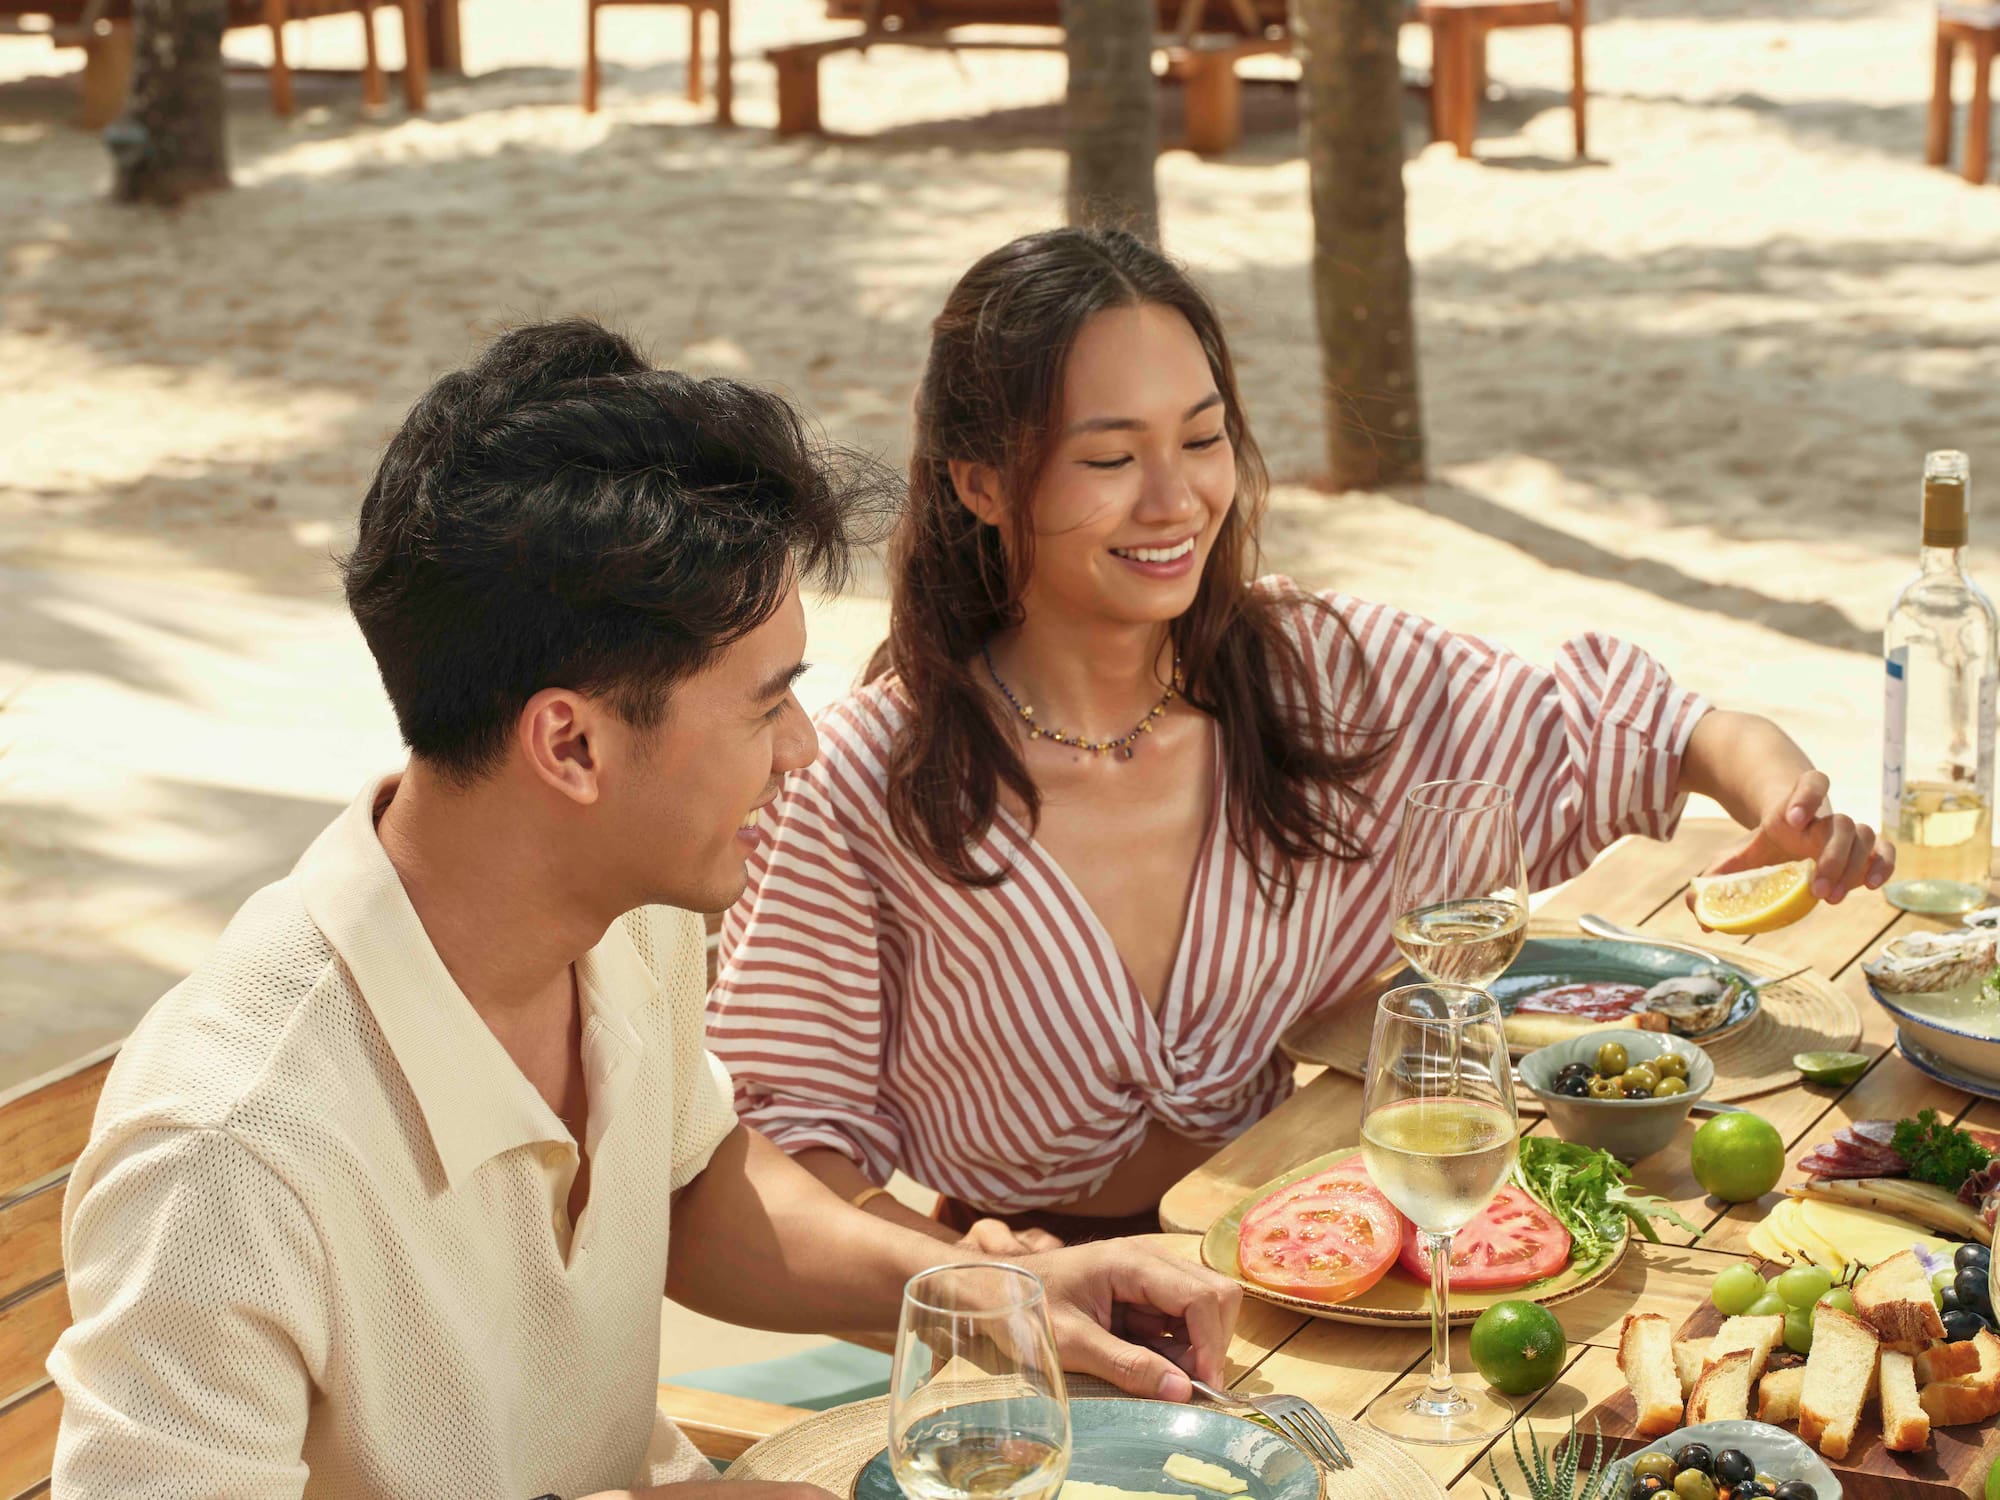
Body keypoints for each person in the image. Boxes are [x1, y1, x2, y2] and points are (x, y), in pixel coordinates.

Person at [46, 319, 1242, 1500]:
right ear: (570, 743)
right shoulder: (226, 1159)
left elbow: (691, 1185)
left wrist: (979, 1293)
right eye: (766, 705)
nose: (806, 751)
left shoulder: (627, 910)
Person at [707, 227, 1894, 1249]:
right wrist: (971, 1282)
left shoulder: (1318, 676)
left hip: (1341, 1243)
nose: (1174, 501)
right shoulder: (857, 783)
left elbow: (1651, 733)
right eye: (1111, 459)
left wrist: (1779, 797)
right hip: (1040, 1315)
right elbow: (781, 1145)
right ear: (977, 483)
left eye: (1204, 438)